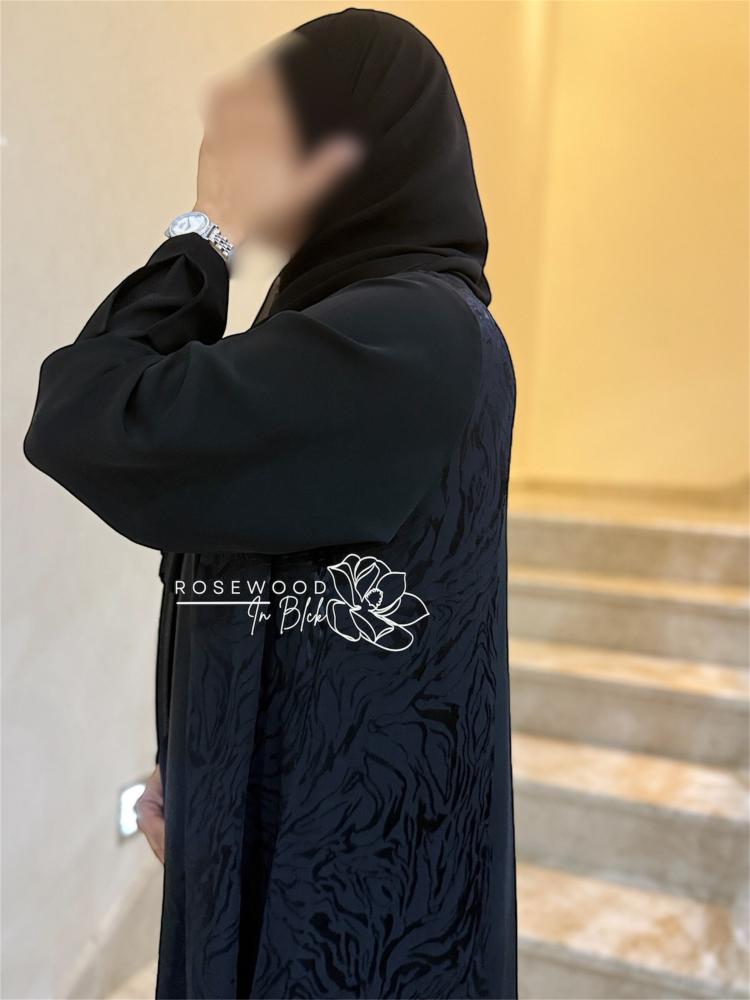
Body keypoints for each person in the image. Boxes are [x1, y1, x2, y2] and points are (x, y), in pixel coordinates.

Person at [24, 8, 517, 999]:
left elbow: (88, 414)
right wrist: (191, 757)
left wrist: (206, 227)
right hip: (292, 843)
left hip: (349, 901)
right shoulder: (367, 330)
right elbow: (246, 563)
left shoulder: (413, 337)